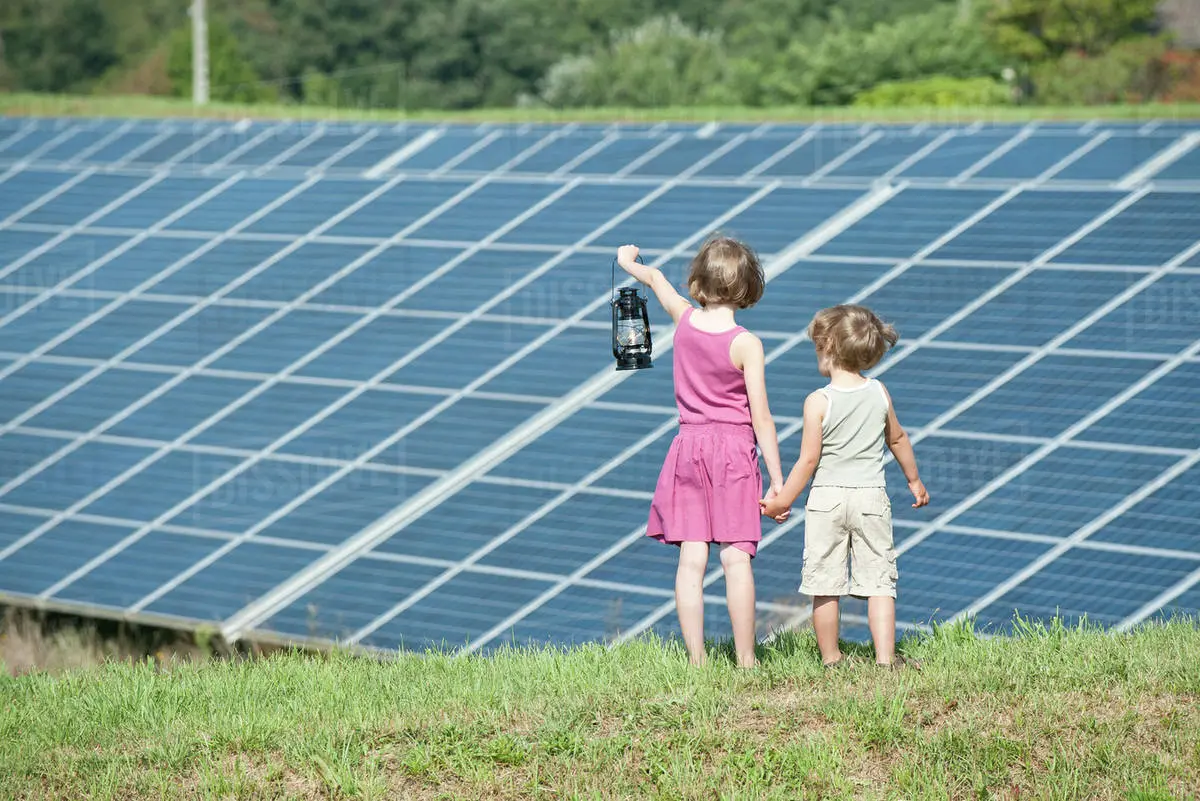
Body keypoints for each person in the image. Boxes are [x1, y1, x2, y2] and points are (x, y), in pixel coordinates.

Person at [616, 238, 784, 669]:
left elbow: (655, 279)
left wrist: (627, 262)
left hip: (688, 449)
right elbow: (761, 418)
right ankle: (746, 660)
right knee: (735, 557)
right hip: (732, 453)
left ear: (698, 282)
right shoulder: (747, 344)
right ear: (749, 288)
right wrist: (779, 480)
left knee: (692, 559)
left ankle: (697, 661)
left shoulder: (684, 320)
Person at [759, 304, 929, 669]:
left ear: (830, 349)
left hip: (827, 501)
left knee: (826, 583)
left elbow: (808, 461)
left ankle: (832, 659)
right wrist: (913, 480)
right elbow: (897, 439)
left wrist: (782, 501)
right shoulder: (879, 392)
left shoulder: (818, 402)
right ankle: (885, 660)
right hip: (870, 498)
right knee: (880, 582)